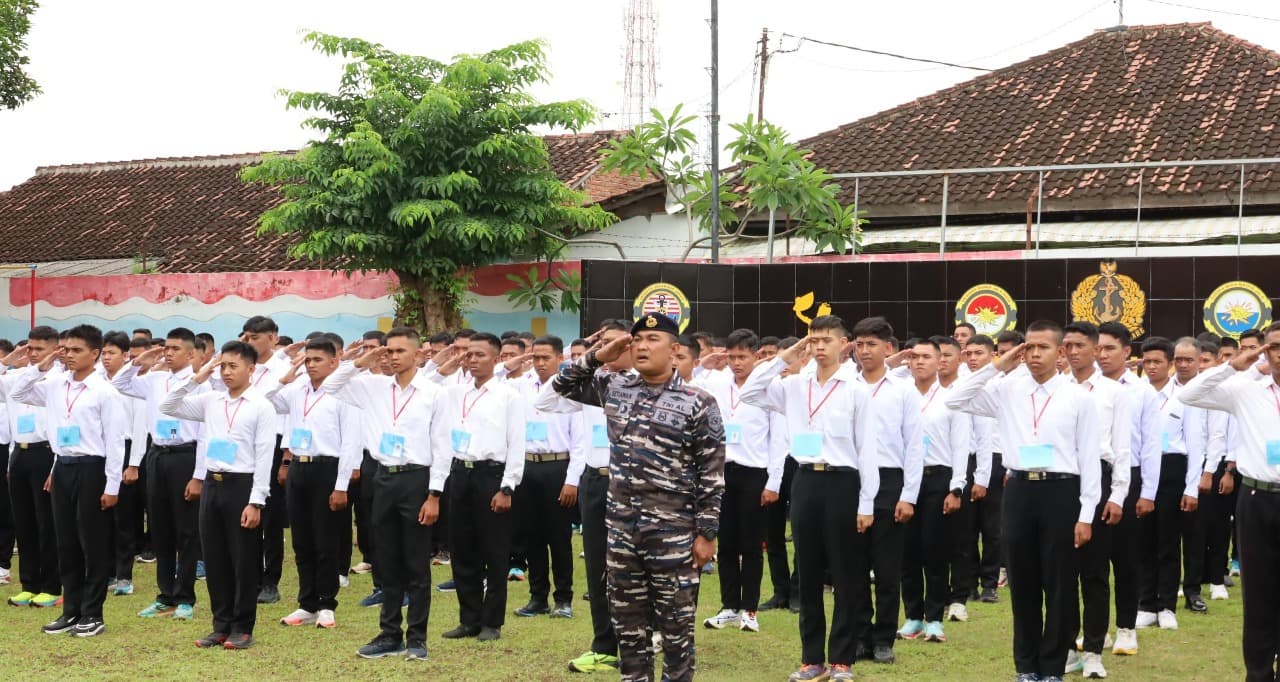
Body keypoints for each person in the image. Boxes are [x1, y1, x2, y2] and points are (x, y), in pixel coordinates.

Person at [553, 312, 725, 682]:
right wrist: (599, 354)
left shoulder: (699, 401)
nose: (643, 347)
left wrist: (707, 532)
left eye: (653, 340)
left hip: (673, 534)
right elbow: (561, 385)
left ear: (675, 349)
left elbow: (711, 472)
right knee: (629, 630)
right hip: (622, 532)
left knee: (677, 631)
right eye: (638, 341)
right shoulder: (616, 388)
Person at [947, 320, 1100, 682]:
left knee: (1060, 584)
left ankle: (1053, 666)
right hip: (1019, 490)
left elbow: (1090, 458)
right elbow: (955, 398)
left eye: (1042, 347)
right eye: (1028, 347)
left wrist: (1087, 514)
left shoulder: (1079, 397)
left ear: (1060, 352)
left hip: (1062, 491)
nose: (1033, 354)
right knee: (1024, 582)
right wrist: (998, 365)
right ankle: (1026, 666)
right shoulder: (1007, 389)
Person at [741, 315, 877, 682]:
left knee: (847, 575)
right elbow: (750, 390)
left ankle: (842, 660)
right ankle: (811, 658)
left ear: (843, 343)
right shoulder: (794, 386)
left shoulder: (855, 388)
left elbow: (867, 450)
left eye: (826, 340)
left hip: (843, 484)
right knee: (810, 574)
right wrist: (787, 357)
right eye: (813, 340)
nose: (818, 347)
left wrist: (867, 503)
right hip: (805, 481)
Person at [323, 327, 445, 661]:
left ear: (418, 354)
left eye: (399, 351)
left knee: (416, 563)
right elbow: (331, 384)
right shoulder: (372, 387)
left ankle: (417, 638)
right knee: (387, 560)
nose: (391, 357)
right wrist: (362, 361)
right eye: (387, 351)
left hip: (417, 479)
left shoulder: (433, 393)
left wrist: (434, 494)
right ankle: (390, 633)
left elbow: (442, 446)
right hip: (383, 479)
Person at [1178, 322, 1280, 681]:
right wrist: (1233, 365)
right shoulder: (1245, 389)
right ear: (1264, 350)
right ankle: (1259, 671)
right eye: (1275, 346)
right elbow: (1188, 395)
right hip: (1257, 497)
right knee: (1259, 592)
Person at [160, 342, 276, 650]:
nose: (225, 372)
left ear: (251, 370)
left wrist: (256, 501)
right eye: (222, 366)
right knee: (215, 558)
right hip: (213, 484)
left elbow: (265, 455)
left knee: (243, 560)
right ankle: (220, 624)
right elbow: (168, 406)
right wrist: (198, 377)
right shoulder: (211, 399)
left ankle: (243, 627)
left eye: (233, 366)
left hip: (243, 485)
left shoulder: (260, 406)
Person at [12, 324, 125, 637]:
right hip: (62, 467)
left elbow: (115, 443)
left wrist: (112, 486)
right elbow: (18, 391)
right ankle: (71, 610)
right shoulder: (55, 383)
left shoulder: (105, 392)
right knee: (66, 542)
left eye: (76, 350)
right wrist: (41, 364)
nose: (69, 356)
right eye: (65, 349)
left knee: (93, 543)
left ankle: (93, 613)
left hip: (92, 469)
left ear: (95, 353)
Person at [537, 320, 630, 674]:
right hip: (596, 482)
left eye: (613, 344)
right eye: (601, 344)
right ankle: (604, 646)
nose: (606, 350)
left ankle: (644, 638)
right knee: (598, 568)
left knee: (635, 568)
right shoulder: (592, 383)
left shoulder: (645, 383)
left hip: (632, 485)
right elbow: (545, 400)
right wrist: (589, 358)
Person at [265, 338, 362, 629]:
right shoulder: (297, 391)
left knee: (326, 539)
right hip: (299, 468)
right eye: (307, 360)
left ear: (335, 362)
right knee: (302, 539)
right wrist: (287, 375)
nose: (310, 365)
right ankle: (306, 603)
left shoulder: (346, 393)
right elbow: (267, 397)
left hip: (327, 469)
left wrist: (341, 485)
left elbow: (351, 442)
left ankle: (326, 604)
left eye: (317, 360)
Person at [111, 327, 205, 621]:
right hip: (158, 455)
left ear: (191, 354)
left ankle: (185, 597)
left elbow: (205, 434)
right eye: (166, 347)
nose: (168, 352)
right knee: (160, 527)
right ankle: (165, 595)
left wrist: (198, 475)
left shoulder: (200, 383)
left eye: (175, 348)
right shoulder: (154, 379)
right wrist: (144, 359)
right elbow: (119, 382)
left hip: (185, 456)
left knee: (186, 530)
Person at [438, 332, 525, 643]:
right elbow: (430, 380)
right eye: (469, 355)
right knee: (462, 550)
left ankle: (492, 622)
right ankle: (469, 619)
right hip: (461, 474)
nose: (473, 360)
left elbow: (517, 444)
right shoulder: (456, 394)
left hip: (492, 475)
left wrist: (508, 487)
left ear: (497, 359)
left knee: (495, 550)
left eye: (480, 355)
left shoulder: (508, 396)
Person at [699, 329, 787, 634]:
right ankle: (729, 607)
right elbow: (689, 384)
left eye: (743, 357)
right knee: (725, 543)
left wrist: (773, 481)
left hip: (755, 472)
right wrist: (704, 364)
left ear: (756, 355)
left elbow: (779, 437)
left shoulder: (769, 387)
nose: (737, 363)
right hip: (723, 472)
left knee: (751, 545)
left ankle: (750, 609)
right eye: (732, 356)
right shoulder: (718, 382)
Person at [1060, 321, 1131, 679]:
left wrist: (1117, 494)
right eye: (1067, 345)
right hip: (1060, 481)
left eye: (1080, 346)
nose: (1073, 352)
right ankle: (1068, 645)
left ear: (1094, 350)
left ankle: (1093, 650)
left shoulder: (1113, 392)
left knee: (1094, 572)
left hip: (1099, 480)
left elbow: (1122, 448)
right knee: (1061, 572)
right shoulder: (1053, 388)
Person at [849, 317, 922, 657]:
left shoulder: (903, 389)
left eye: (871, 344)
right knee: (855, 567)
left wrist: (908, 495)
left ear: (889, 349)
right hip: (852, 481)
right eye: (859, 344)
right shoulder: (845, 385)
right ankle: (861, 636)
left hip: (890, 481)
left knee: (888, 567)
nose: (864, 351)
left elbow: (913, 446)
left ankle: (883, 640)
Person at [1095, 321, 1161, 657]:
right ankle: (1097, 630)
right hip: (1092, 476)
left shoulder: (1142, 391)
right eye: (1099, 348)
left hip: (1130, 477)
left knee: (1125, 558)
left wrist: (1148, 491)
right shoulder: (1084, 386)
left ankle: (1126, 628)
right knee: (1092, 561)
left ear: (1127, 351)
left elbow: (1150, 445)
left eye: (1109, 348)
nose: (1102, 354)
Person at [1137, 337, 1211, 630]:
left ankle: (1166, 604)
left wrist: (1191, 487)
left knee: (1168, 540)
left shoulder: (1185, 396)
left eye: (1157, 362)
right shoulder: (1135, 393)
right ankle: (1145, 604)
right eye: (1147, 361)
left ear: (1169, 364)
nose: (1152, 367)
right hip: (1142, 469)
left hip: (1172, 468)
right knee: (1144, 539)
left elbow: (1195, 444)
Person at [899, 337, 969, 644]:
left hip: (938, 478)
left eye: (927, 356)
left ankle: (935, 618)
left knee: (935, 550)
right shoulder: (901, 396)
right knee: (908, 551)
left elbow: (961, 444)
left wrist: (957, 487)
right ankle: (913, 616)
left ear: (940, 361)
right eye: (914, 357)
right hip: (905, 479)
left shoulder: (952, 398)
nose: (920, 362)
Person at [511, 335, 584, 620]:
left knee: (559, 537)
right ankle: (537, 597)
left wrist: (572, 480)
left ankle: (563, 599)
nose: (540, 363)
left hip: (558, 467)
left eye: (546, 358)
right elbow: (493, 375)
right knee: (532, 536)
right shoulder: (520, 386)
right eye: (535, 357)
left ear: (559, 359)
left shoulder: (570, 389)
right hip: (527, 466)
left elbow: (579, 441)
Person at [1, 328, 62, 608]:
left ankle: (51, 585)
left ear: (54, 349)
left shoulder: (61, 379)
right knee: (23, 522)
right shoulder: (16, 377)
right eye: (30, 349)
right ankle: (29, 583)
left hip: (46, 453)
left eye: (39, 349)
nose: (33, 354)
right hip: (20, 454)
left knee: (46, 523)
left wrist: (56, 466)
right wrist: (6, 362)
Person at [237, 315, 291, 605]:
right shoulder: (239, 366)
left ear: (273, 337)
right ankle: (251, 576)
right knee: (244, 515)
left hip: (274, 447)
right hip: (243, 447)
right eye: (247, 336)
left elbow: (294, 413)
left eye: (256, 336)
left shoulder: (285, 369)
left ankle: (271, 581)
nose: (250, 342)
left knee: (269, 518)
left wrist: (286, 458)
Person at [954, 335, 1002, 605]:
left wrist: (987, 472)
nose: (973, 358)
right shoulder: (962, 384)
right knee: (966, 527)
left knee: (992, 526)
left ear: (992, 355)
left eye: (979, 353)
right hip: (967, 460)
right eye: (969, 353)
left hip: (995, 458)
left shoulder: (1001, 385)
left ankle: (990, 583)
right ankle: (968, 582)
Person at [100, 331, 148, 597]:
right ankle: (105, 572)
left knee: (124, 519)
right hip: (100, 452)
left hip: (127, 450)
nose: (107, 358)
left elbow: (140, 427)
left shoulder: (134, 385)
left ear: (125, 356)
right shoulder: (95, 381)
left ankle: (123, 575)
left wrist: (133, 464)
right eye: (104, 353)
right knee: (101, 517)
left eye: (112, 353)